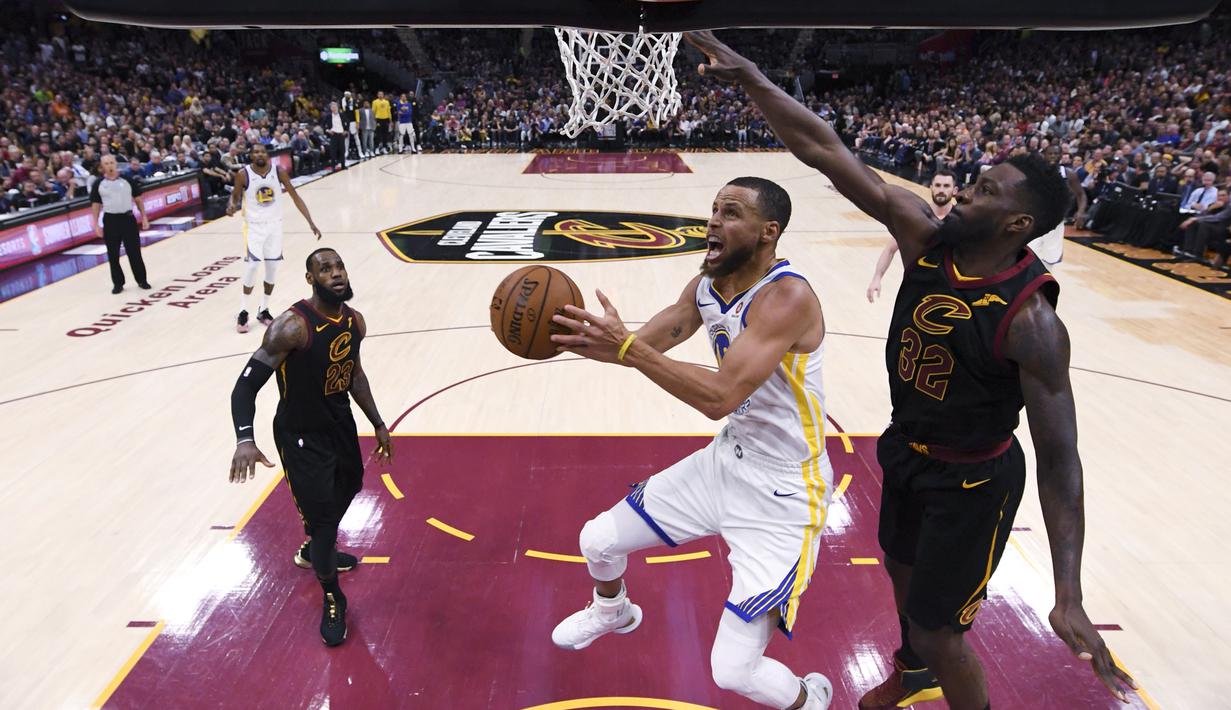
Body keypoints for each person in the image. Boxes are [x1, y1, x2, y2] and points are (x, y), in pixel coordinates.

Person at [685, 30, 1137, 710]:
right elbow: (824, 150)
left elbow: (1060, 458)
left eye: (981, 192)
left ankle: (936, 669)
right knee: (901, 578)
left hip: (973, 479)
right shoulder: (923, 235)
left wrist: (1066, 590)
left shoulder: (1031, 322)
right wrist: (752, 76)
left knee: (941, 631)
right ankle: (913, 668)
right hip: (905, 451)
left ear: (1015, 225)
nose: (960, 197)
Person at [548, 177, 834, 710]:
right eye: (713, 210)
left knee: (732, 672)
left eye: (730, 213)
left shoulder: (788, 296)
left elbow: (719, 396)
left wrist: (627, 347)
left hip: (785, 494)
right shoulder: (706, 284)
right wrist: (565, 337)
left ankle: (810, 698)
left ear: (768, 232)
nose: (713, 222)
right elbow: (642, 345)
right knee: (597, 540)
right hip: (728, 460)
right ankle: (613, 612)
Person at [228, 247, 393, 646]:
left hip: (339, 425)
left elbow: (354, 375)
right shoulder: (292, 326)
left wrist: (378, 421)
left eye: (339, 266)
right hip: (301, 436)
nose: (335, 274)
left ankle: (315, 544)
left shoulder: (355, 322)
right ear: (311, 279)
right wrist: (245, 439)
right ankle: (332, 593)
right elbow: (245, 385)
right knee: (322, 524)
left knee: (351, 485)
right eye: (325, 269)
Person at [227, 143, 322, 333]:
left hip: (275, 227)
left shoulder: (278, 172)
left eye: (262, 151)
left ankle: (264, 309)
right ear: (251, 156)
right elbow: (235, 196)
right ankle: (243, 310)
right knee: (253, 266)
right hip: (253, 227)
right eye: (255, 152)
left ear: (267, 155)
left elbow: (295, 197)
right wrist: (231, 205)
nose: (259, 154)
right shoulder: (243, 174)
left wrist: (310, 222)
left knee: (271, 270)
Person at [867, 169, 957, 302]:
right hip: (917, 287)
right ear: (931, 187)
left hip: (949, 291)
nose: (941, 190)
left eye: (946, 186)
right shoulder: (917, 215)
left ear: (954, 190)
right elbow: (890, 249)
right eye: (937, 185)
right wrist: (877, 278)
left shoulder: (961, 219)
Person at [90, 154, 150, 294]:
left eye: (111, 162)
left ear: (116, 164)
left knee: (134, 252)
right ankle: (118, 283)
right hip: (110, 221)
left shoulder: (127, 179)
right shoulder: (98, 184)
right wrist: (96, 224)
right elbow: (95, 205)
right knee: (113, 254)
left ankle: (142, 280)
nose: (109, 165)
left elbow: (138, 199)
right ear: (102, 166)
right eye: (106, 163)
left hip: (128, 219)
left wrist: (144, 217)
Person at [1026, 144, 1087, 264]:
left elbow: (1081, 195)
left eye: (1056, 153)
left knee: (1050, 259)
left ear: (1061, 156)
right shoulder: (1036, 173)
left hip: (1056, 222)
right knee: (1028, 254)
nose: (1053, 156)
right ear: (1044, 155)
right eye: (1050, 153)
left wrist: (1080, 212)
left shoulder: (1069, 174)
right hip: (1035, 219)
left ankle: (1044, 281)